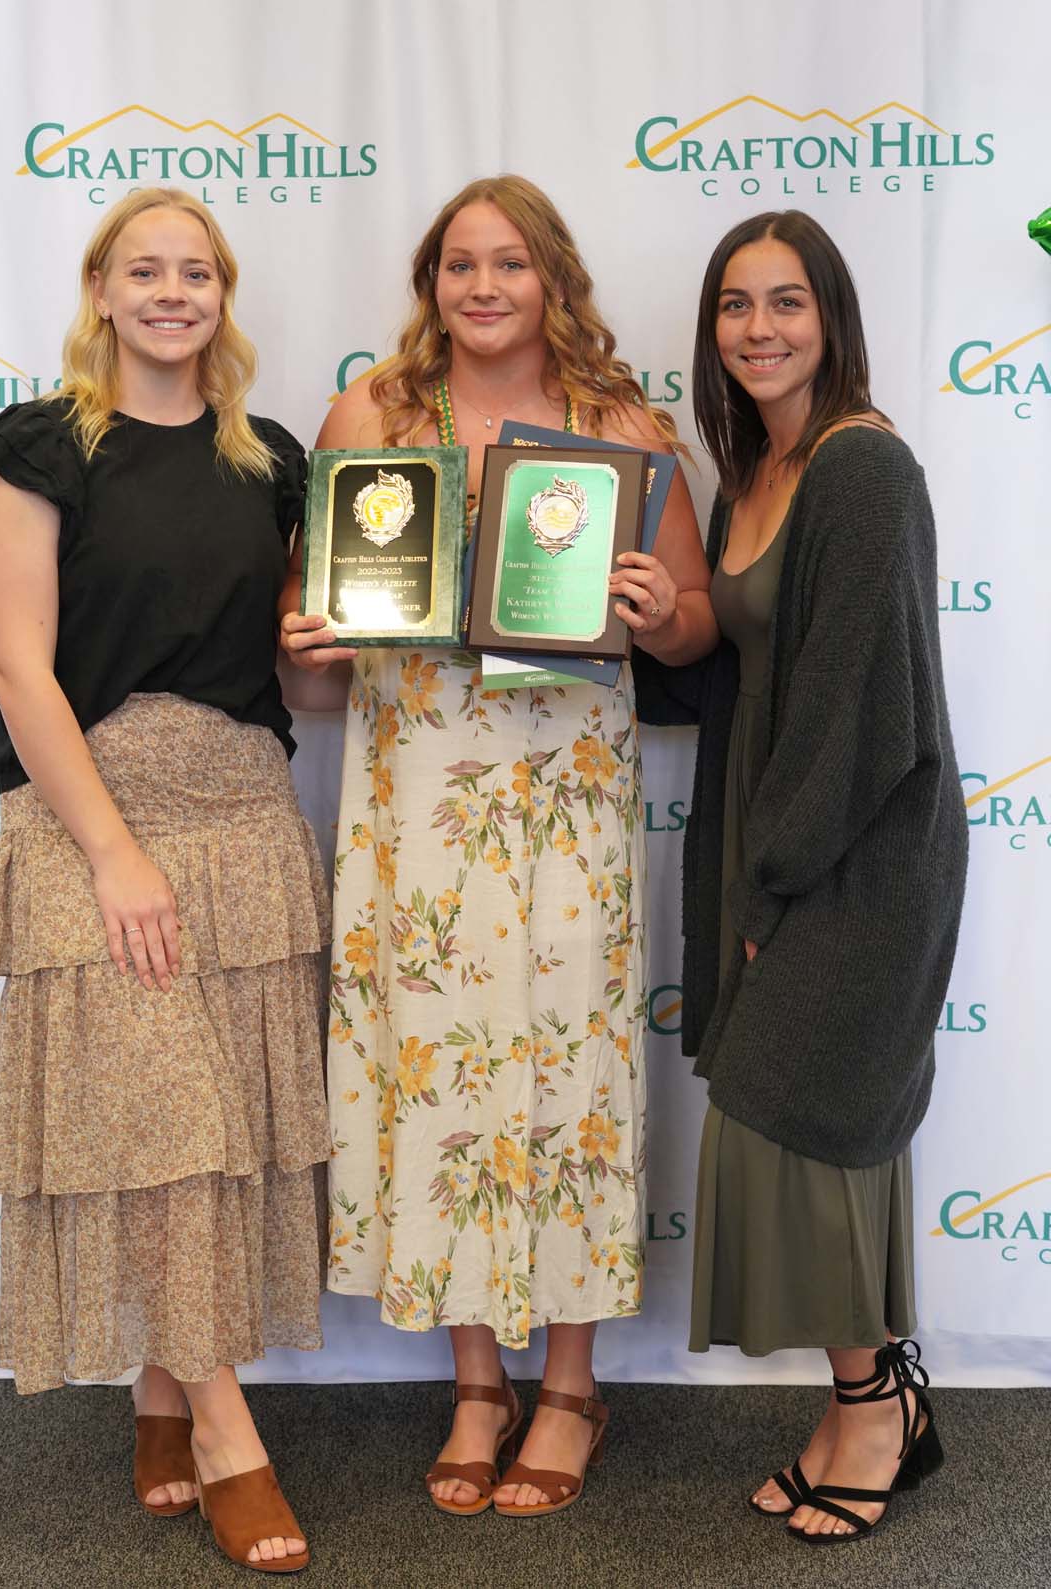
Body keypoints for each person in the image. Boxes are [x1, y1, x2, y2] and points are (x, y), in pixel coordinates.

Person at [280, 174, 716, 1517]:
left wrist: (657, 608)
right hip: (415, 798)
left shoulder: (622, 427)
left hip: (567, 804)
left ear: (552, 282)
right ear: (429, 283)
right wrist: (308, 648)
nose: (482, 285)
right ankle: (479, 1377)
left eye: (509, 263)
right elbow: (312, 684)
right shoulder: (367, 420)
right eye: (458, 263)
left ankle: (572, 1379)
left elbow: (698, 628)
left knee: (569, 1069)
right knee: (438, 1073)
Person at [0, 187, 327, 1573]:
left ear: (224, 293)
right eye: (145, 270)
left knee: (215, 1138)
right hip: (97, 826)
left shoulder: (269, 458)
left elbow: (293, 674)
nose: (174, 292)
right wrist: (112, 854)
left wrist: (332, 644)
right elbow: (14, 667)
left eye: (199, 271)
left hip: (244, 818)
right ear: (101, 289)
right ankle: (224, 1428)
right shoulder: (36, 450)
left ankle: (161, 1393)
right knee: (162, 1127)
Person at [683, 210, 968, 1545]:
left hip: (857, 853)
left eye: (786, 301)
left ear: (833, 316)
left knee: (816, 1129)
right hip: (779, 838)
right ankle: (884, 1388)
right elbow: (745, 666)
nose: (759, 328)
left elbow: (860, 710)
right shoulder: (758, 470)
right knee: (804, 1129)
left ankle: (871, 1408)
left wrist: (772, 886)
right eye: (736, 305)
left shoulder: (861, 469)